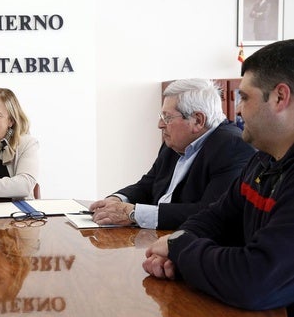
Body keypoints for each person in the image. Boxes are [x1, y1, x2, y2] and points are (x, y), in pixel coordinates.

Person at [143, 39, 294, 317]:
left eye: (244, 97)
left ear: (280, 97)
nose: (236, 109)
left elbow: (254, 279)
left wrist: (178, 249)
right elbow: (215, 217)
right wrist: (179, 243)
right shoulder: (262, 160)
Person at [90, 78, 255, 230]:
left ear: (198, 120)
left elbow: (211, 211)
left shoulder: (232, 146)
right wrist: (117, 200)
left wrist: (134, 214)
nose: (160, 125)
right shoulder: (175, 143)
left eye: (167, 118)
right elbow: (148, 185)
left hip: (191, 245)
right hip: (155, 237)